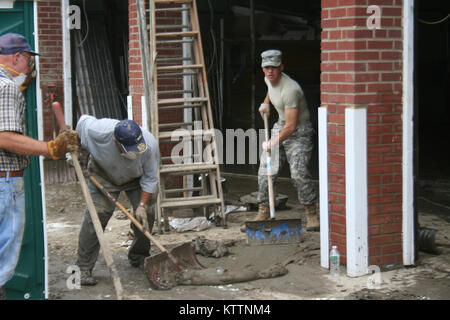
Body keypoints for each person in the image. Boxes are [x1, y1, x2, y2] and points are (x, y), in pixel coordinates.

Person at [0, 33, 80, 299]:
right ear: (17, 57)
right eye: (28, 61)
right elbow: (4, 137)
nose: (29, 68)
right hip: (5, 181)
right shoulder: (6, 88)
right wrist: (50, 148)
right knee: (4, 260)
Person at [75, 115, 160, 286]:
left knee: (146, 215)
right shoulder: (97, 130)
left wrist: (141, 205)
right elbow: (81, 123)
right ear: (115, 142)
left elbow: (151, 179)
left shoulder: (149, 145)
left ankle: (139, 256)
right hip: (103, 174)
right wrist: (77, 153)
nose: (135, 151)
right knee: (95, 217)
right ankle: (83, 268)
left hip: (137, 179)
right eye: (130, 148)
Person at [241, 49, 319, 232]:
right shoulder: (268, 78)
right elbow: (270, 88)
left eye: (274, 68)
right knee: (266, 170)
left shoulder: (291, 89)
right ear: (263, 69)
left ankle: (311, 213)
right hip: (280, 125)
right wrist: (266, 102)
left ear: (281, 68)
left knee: (298, 173)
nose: (270, 71)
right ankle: (264, 210)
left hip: (299, 131)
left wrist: (272, 143)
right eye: (266, 67)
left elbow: (291, 127)